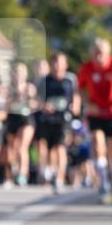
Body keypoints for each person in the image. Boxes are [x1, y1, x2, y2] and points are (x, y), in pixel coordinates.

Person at [77, 38, 112, 203]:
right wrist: (87, 104)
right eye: (95, 53)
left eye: (101, 53)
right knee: (97, 143)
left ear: (108, 53)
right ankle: (103, 183)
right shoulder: (86, 68)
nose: (98, 56)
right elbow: (80, 88)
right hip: (96, 113)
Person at [36, 51, 79, 194]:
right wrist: (44, 106)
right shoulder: (44, 80)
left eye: (60, 63)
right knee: (48, 148)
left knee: (60, 147)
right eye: (54, 63)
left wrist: (76, 107)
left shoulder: (70, 79)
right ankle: (50, 171)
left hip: (63, 118)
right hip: (47, 119)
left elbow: (76, 95)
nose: (57, 66)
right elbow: (38, 99)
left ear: (65, 65)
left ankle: (59, 178)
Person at [3, 62, 37, 187]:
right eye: (16, 73)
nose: (18, 75)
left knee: (22, 146)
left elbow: (34, 105)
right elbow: (5, 107)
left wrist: (27, 98)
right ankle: (12, 172)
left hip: (25, 118)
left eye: (20, 73)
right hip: (12, 118)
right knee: (12, 148)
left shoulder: (29, 88)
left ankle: (23, 174)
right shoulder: (8, 89)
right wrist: (13, 97)